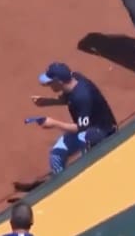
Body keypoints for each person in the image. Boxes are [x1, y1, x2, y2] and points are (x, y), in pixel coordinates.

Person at [15, 63, 117, 192]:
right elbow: (69, 97)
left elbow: (81, 128)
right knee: (56, 156)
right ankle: (64, 188)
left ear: (59, 81)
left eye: (50, 82)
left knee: (84, 166)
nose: (48, 85)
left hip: (102, 133)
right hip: (87, 128)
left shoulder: (82, 97)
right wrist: (48, 102)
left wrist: (54, 124)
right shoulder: (74, 78)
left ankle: (89, 187)